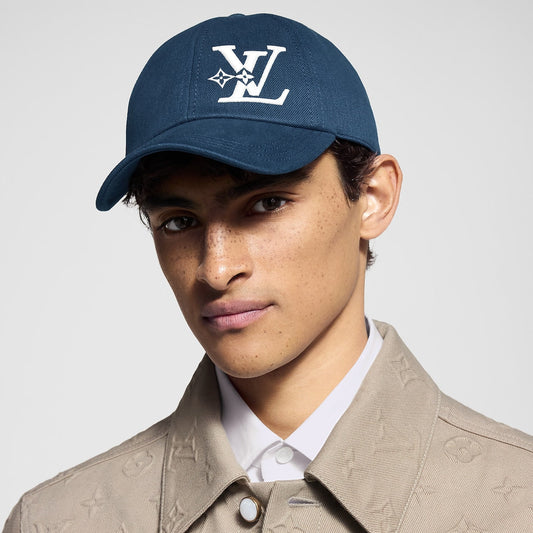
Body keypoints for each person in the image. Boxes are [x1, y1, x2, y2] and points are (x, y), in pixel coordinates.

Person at [3, 12, 532, 533]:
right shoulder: (57, 521)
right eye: (179, 221)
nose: (216, 269)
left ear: (373, 197)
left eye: (267, 203)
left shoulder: (516, 503)